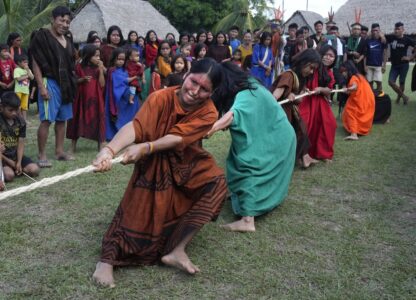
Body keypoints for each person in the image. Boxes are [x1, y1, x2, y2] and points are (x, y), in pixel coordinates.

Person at [91, 58, 228, 287]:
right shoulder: (159, 98)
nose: (195, 92)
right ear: (186, 75)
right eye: (194, 82)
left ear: (212, 92)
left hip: (187, 161)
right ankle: (106, 262)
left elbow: (177, 138)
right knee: (137, 214)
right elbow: (137, 126)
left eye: (204, 89)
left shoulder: (209, 112)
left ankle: (177, 250)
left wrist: (146, 147)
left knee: (216, 183)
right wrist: (109, 150)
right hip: (154, 163)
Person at [207, 62, 296, 232]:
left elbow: (234, 114)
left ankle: (248, 220)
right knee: (236, 157)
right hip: (277, 134)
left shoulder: (247, 93)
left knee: (249, 165)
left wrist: (210, 129)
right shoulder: (252, 85)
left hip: (274, 138)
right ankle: (237, 195)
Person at [30, 6, 77, 168]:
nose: (65, 24)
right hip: (49, 82)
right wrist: (41, 88)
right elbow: (35, 63)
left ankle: (59, 151)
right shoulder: (41, 36)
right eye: (61, 20)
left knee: (62, 119)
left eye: (68, 21)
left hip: (66, 85)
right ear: (53, 19)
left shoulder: (68, 40)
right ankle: (42, 155)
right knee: (46, 120)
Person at [271, 49, 321, 168]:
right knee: (287, 136)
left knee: (301, 131)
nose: (311, 71)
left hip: (291, 111)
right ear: (303, 62)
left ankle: (304, 157)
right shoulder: (288, 75)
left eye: (314, 69)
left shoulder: (301, 77)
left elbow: (298, 101)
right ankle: (280, 163)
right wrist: (286, 95)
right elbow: (273, 98)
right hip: (280, 113)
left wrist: (301, 94)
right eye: (311, 67)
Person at [299, 45, 337, 161]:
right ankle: (303, 154)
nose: (328, 58)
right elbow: (302, 80)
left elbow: (329, 90)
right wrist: (305, 88)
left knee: (329, 124)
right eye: (326, 55)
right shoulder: (312, 67)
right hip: (307, 100)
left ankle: (322, 153)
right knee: (305, 124)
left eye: (331, 56)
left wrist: (321, 89)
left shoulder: (330, 72)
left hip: (320, 101)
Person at [66, 44, 106, 153]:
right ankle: (73, 145)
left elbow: (102, 84)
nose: (98, 58)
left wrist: (101, 70)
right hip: (81, 97)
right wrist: (82, 79)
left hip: (95, 97)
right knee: (77, 117)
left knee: (98, 118)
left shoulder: (99, 68)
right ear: (88, 56)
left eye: (99, 56)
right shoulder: (79, 67)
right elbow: (74, 81)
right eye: (96, 56)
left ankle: (101, 144)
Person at [0, 92, 40, 183]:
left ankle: (18, 168)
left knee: (34, 170)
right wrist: (11, 163)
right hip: (2, 157)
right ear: (1, 107)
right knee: (9, 176)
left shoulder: (21, 122)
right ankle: (13, 169)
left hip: (15, 156)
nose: (14, 113)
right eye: (10, 110)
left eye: (16, 110)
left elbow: (21, 144)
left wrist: (18, 162)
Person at [105, 48, 140, 141]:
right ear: (114, 59)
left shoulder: (125, 70)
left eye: (123, 59)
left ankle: (130, 134)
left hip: (126, 95)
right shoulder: (112, 70)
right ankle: (114, 135)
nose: (121, 61)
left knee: (134, 102)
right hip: (117, 97)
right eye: (118, 59)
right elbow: (119, 83)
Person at [340, 61, 375, 140]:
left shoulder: (353, 78)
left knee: (350, 110)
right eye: (341, 72)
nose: (343, 74)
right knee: (350, 107)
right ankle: (357, 129)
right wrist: (347, 90)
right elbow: (354, 90)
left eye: (344, 71)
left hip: (362, 101)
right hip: (369, 101)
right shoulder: (360, 76)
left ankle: (354, 134)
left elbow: (354, 86)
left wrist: (348, 88)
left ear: (349, 70)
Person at [387, 22, 415, 104]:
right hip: (394, 65)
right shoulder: (391, 37)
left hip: (404, 65)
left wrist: (410, 57)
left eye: (398, 29)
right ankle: (404, 96)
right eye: (395, 29)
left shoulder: (407, 39)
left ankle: (399, 99)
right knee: (390, 82)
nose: (396, 31)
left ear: (403, 30)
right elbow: (382, 37)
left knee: (401, 82)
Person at [364, 23, 387, 95]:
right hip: (369, 65)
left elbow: (385, 53)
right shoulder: (368, 41)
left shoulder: (382, 41)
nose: (375, 32)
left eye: (376, 30)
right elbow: (365, 54)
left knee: (379, 82)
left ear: (379, 31)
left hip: (378, 65)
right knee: (369, 83)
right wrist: (365, 66)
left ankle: (380, 97)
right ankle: (372, 97)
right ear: (371, 31)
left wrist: (384, 65)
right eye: (373, 30)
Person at [13, 54, 34, 122]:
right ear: (19, 62)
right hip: (18, 91)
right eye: (24, 62)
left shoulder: (28, 70)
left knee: (24, 107)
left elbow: (32, 77)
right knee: (18, 106)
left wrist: (28, 70)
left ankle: (24, 120)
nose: (26, 64)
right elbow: (18, 79)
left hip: (26, 91)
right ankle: (19, 119)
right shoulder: (17, 70)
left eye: (27, 62)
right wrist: (27, 75)